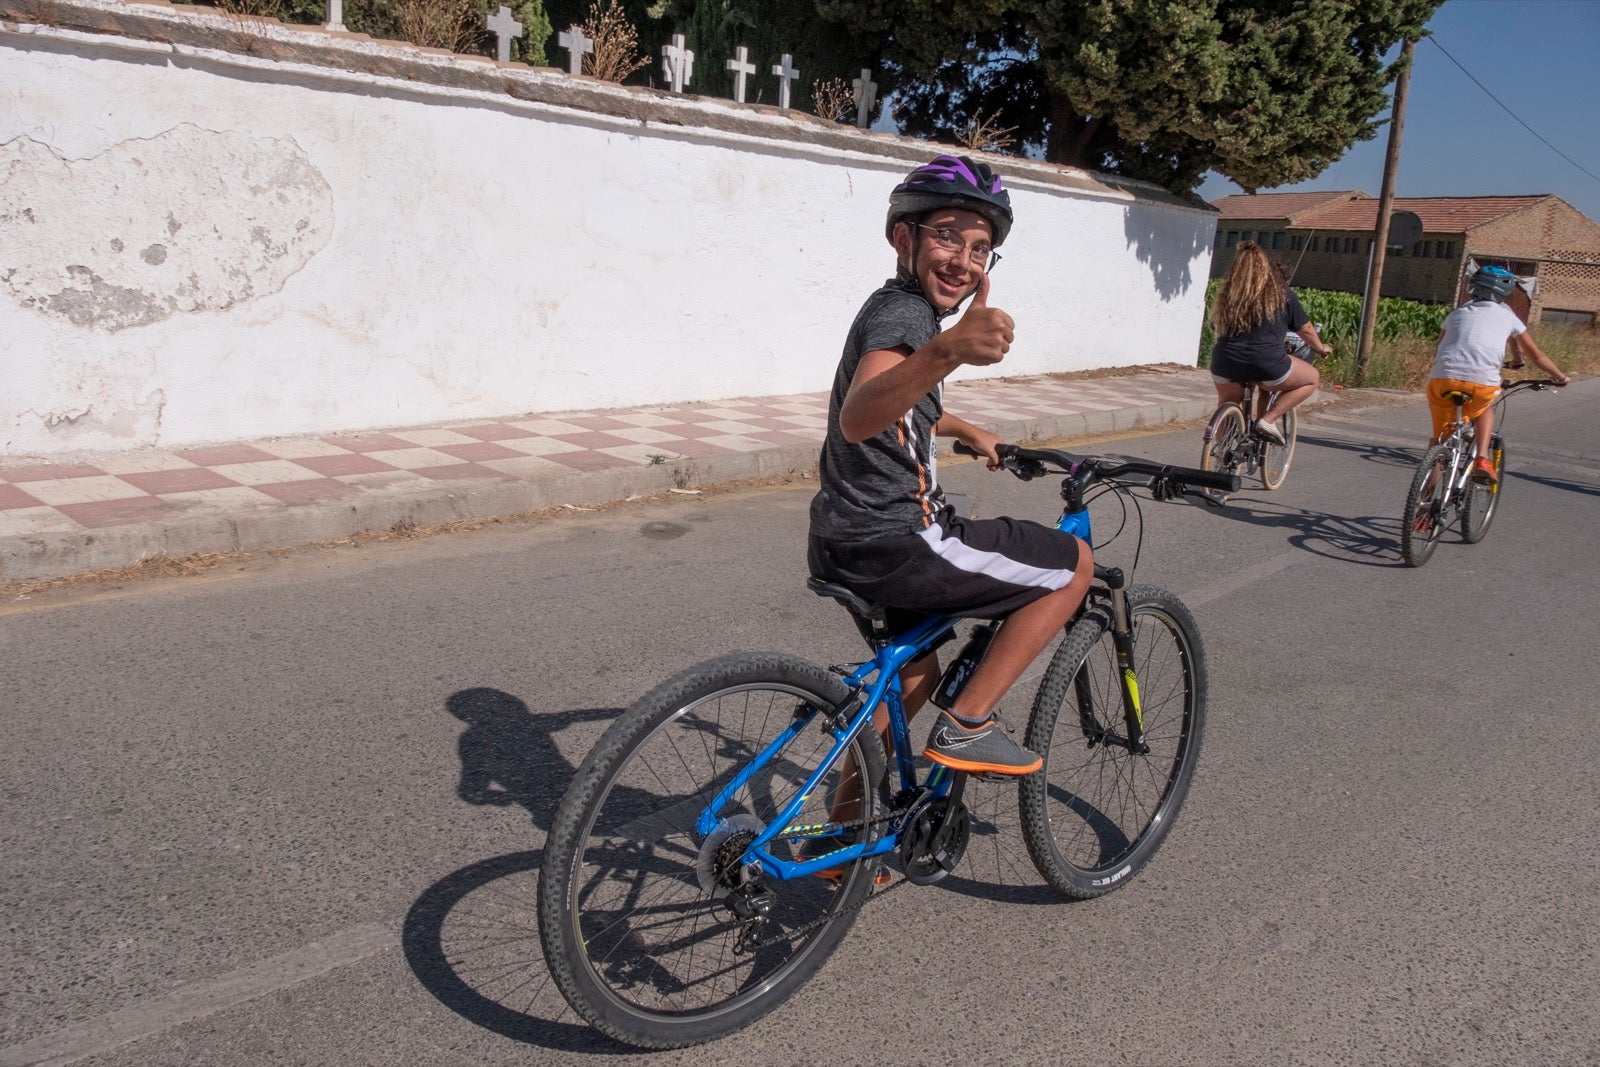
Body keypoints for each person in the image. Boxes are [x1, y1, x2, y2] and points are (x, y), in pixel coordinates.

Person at [807, 155, 1094, 785]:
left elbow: (896, 405)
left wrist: (962, 427)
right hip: (899, 541)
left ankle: (838, 848)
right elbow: (859, 416)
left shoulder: (894, 312)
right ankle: (967, 726)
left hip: (842, 540)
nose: (962, 260)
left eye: (979, 247)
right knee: (1074, 564)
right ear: (903, 238)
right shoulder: (908, 319)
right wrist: (949, 348)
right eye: (945, 235)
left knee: (914, 679)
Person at [1426, 265, 1569, 484]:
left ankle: (1423, 509)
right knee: (1486, 407)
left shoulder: (1457, 312)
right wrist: (1560, 377)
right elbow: (1537, 357)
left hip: (1441, 379)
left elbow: (1439, 347)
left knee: (1439, 441)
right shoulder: (1507, 316)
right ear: (1505, 291)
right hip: (1481, 383)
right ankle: (1482, 458)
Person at [1208, 241, 1331, 444]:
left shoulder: (1228, 295)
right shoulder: (1281, 294)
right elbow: (1306, 329)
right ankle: (1268, 420)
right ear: (1265, 268)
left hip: (1224, 362)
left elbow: (1215, 326)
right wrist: (1320, 348)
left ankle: (1222, 454)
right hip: (1266, 363)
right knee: (1312, 378)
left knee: (1227, 403)